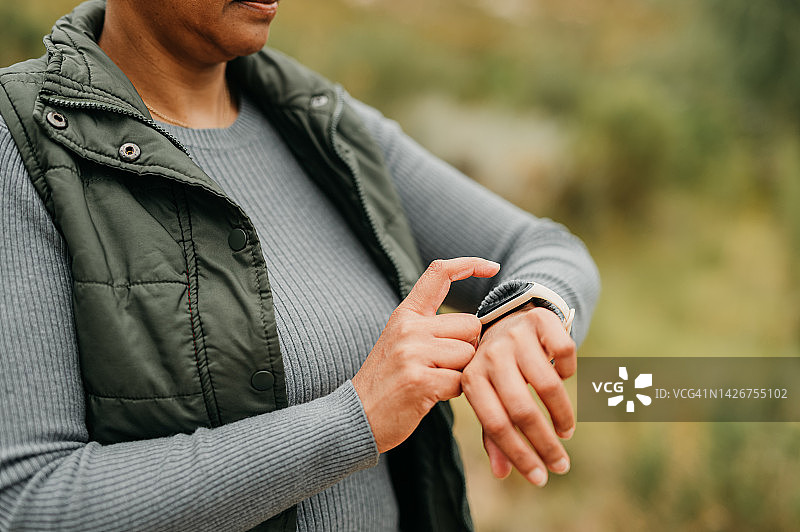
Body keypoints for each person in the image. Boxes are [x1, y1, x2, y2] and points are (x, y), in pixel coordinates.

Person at [0, 0, 600, 530]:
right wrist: (354, 419)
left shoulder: (321, 123)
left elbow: (545, 244)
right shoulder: (22, 145)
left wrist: (526, 310)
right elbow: (27, 501)